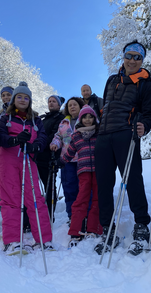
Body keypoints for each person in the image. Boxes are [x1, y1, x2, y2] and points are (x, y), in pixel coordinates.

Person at [94, 40, 151, 256]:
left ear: (142, 61)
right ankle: (108, 228)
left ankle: (141, 225)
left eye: (137, 57)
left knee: (133, 181)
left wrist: (144, 125)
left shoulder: (146, 83)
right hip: (103, 136)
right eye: (129, 56)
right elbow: (106, 107)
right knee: (103, 184)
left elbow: (149, 112)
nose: (132, 60)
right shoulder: (112, 80)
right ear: (123, 57)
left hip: (126, 134)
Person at [0, 81, 52, 254]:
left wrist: (36, 145)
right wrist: (14, 140)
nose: (22, 100)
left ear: (30, 101)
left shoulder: (35, 119)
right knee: (11, 199)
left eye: (26, 97)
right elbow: (0, 136)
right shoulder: (6, 118)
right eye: (19, 97)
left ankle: (44, 240)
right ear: (13, 99)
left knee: (35, 199)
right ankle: (12, 240)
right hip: (9, 160)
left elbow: (43, 137)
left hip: (29, 161)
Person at [60, 105, 103, 247]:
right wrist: (61, 161)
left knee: (96, 199)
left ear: (94, 118)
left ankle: (93, 228)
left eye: (91, 117)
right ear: (81, 119)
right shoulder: (76, 136)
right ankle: (76, 230)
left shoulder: (99, 133)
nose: (88, 120)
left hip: (98, 170)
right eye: (85, 117)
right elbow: (70, 152)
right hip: (83, 171)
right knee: (81, 199)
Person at [50, 97, 85, 223]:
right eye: (70, 105)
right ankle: (72, 215)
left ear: (80, 106)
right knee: (69, 188)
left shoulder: (86, 119)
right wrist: (55, 143)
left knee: (84, 188)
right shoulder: (64, 122)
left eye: (75, 104)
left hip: (83, 159)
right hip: (67, 159)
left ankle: (85, 214)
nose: (72, 107)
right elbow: (58, 136)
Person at [36, 95, 65, 222]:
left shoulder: (61, 118)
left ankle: (49, 215)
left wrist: (38, 144)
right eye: (49, 101)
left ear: (59, 105)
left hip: (49, 157)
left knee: (49, 186)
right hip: (37, 156)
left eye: (54, 102)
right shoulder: (43, 118)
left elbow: (54, 135)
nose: (51, 103)